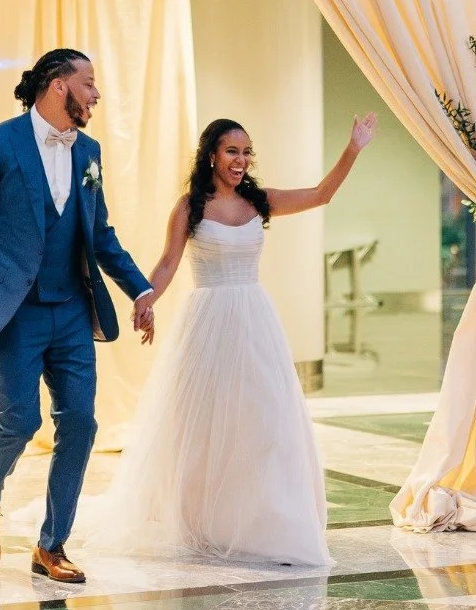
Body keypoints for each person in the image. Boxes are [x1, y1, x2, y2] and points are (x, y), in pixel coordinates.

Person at [94, 113, 378, 565]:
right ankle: (204, 517)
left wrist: (353, 147)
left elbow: (321, 195)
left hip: (254, 320)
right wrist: (145, 299)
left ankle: (266, 519)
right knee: (204, 423)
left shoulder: (259, 201)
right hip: (207, 322)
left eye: (247, 153)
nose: (241, 160)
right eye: (232, 151)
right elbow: (168, 262)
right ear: (212, 155)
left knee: (264, 419)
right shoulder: (190, 206)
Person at [0, 49, 155, 584]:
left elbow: (99, 234)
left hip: (73, 309)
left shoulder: (89, 152)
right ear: (59, 87)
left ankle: (51, 545)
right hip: (11, 312)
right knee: (22, 419)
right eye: (90, 83)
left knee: (81, 422)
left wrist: (139, 289)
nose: (97, 94)